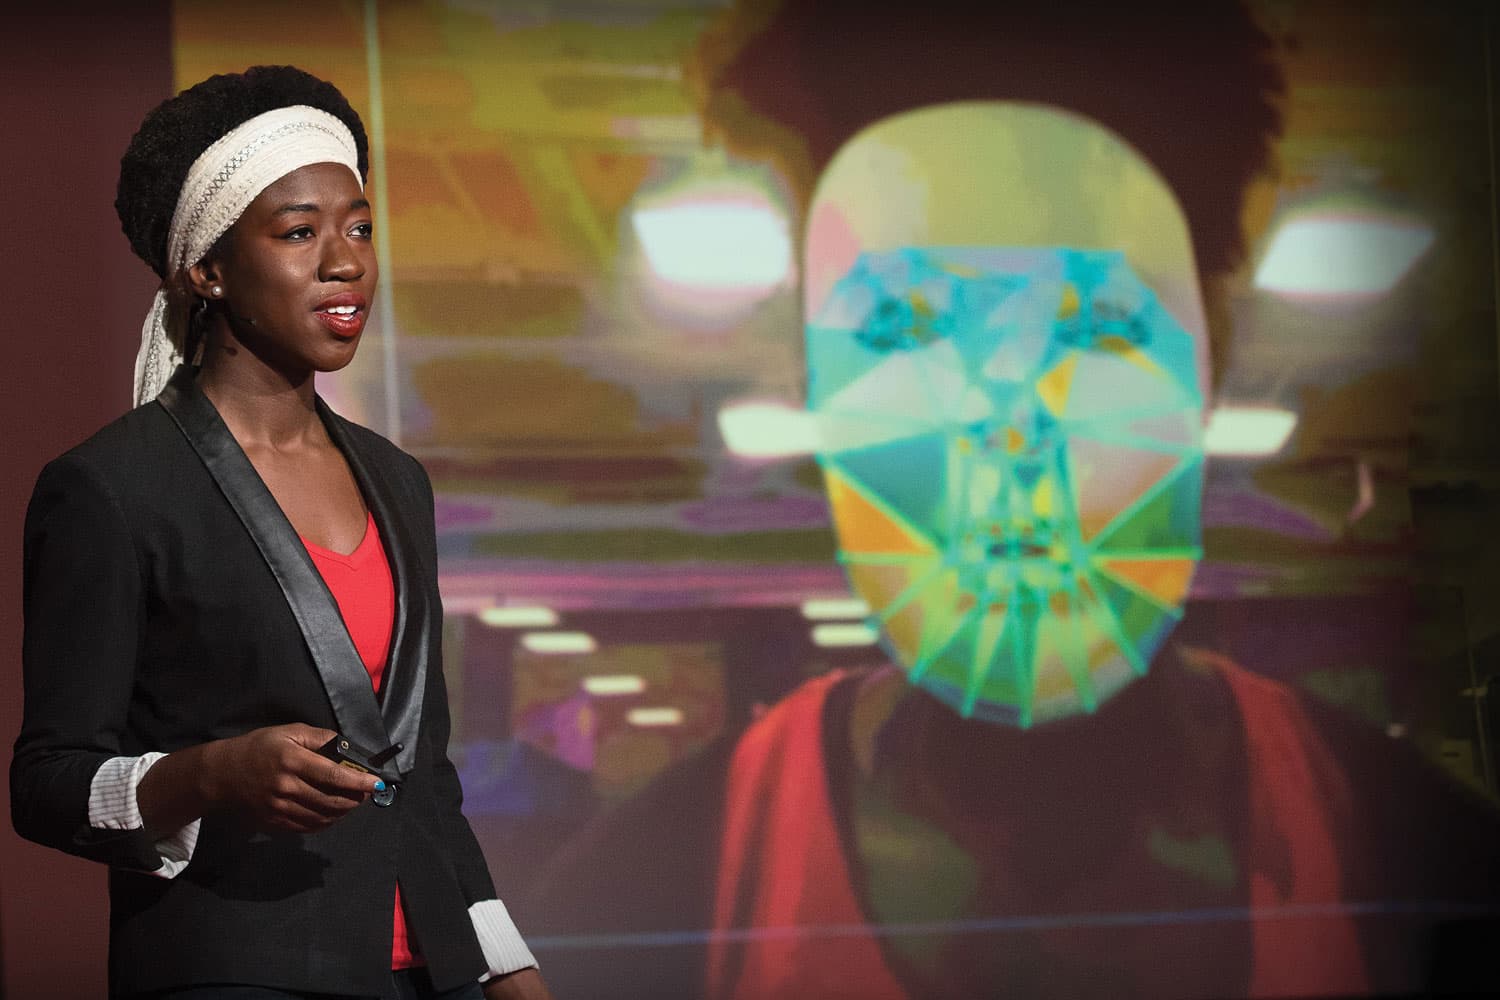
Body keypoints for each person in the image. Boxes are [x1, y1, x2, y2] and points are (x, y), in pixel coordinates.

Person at [520, 3, 1500, 998]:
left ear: (1211, 363)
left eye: (1099, 332)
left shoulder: (1418, 857)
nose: (1010, 437)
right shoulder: (643, 896)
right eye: (909, 334)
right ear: (815, 385)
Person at [11, 66, 553, 1000]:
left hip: (430, 973)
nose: (346, 262)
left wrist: (506, 965)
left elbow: (420, 773)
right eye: (300, 232)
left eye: (360, 228)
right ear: (208, 269)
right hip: (234, 968)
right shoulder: (113, 487)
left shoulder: (397, 479)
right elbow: (46, 784)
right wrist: (209, 774)